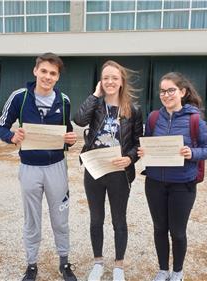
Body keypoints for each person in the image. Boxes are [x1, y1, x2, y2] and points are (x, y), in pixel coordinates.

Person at [0, 53, 77, 281]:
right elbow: (1, 126)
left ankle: (64, 262)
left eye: (53, 73)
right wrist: (12, 137)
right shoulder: (19, 98)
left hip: (56, 167)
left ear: (58, 77)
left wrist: (70, 139)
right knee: (32, 219)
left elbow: (67, 130)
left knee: (61, 218)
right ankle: (31, 264)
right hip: (30, 168)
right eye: (44, 71)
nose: (47, 77)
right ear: (35, 71)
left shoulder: (64, 100)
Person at [138, 72, 207, 281]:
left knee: (178, 232)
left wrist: (193, 153)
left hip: (183, 184)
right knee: (160, 228)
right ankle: (163, 270)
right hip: (155, 183)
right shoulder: (154, 117)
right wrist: (144, 151)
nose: (166, 94)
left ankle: (178, 271)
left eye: (171, 90)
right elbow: (147, 142)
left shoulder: (195, 119)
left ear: (182, 92)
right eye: (162, 91)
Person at [73, 60, 143, 281]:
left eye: (114, 77)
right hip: (94, 169)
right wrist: (95, 95)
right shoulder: (96, 106)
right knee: (96, 219)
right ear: (100, 82)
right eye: (106, 78)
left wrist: (129, 158)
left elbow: (137, 143)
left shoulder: (133, 110)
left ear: (121, 81)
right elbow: (78, 119)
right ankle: (98, 262)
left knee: (118, 220)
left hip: (119, 173)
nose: (110, 82)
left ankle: (119, 266)